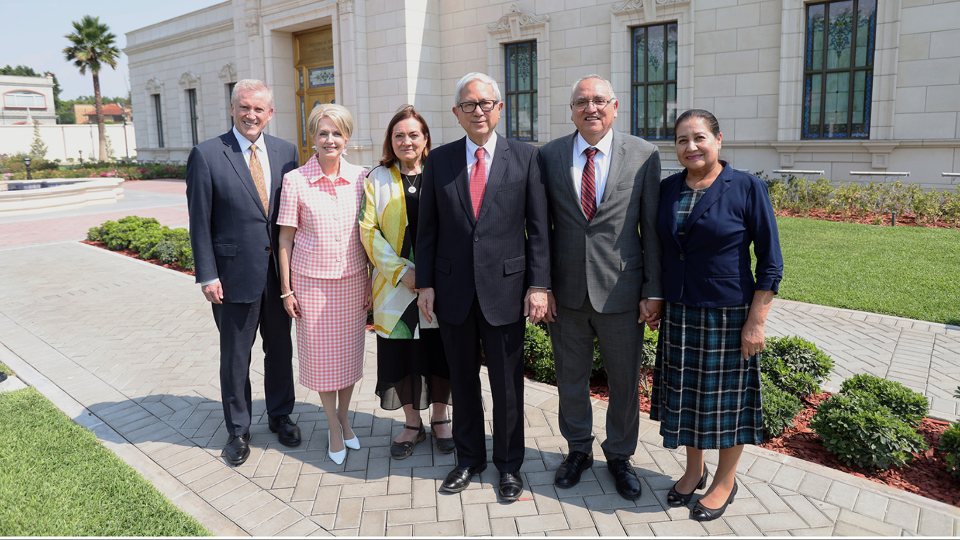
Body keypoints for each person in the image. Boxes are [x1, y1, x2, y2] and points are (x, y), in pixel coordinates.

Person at [416, 72, 550, 502]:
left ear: (500, 108)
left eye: (485, 103)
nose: (478, 111)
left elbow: (538, 230)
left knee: (508, 386)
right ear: (457, 113)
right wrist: (426, 285)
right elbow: (427, 229)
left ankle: (509, 466)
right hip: (453, 290)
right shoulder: (440, 160)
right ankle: (469, 459)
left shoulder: (527, 157)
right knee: (463, 380)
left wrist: (539, 286)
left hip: (507, 292)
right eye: (469, 105)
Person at [649, 109, 783, 521]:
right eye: (681, 140)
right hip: (680, 313)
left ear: (719, 140)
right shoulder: (668, 188)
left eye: (699, 137)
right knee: (689, 399)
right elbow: (661, 248)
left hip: (728, 315)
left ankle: (726, 479)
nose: (690, 146)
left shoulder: (746, 187)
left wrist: (756, 320)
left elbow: (771, 261)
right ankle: (694, 470)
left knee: (726, 404)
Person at [538, 74, 663, 500]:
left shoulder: (644, 155)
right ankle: (577, 451)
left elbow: (652, 229)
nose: (590, 108)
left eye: (598, 101)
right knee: (570, 379)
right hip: (567, 292)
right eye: (581, 102)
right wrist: (542, 286)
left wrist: (654, 290)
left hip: (623, 293)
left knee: (625, 383)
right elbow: (541, 228)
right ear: (571, 110)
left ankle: (621, 456)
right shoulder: (550, 155)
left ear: (614, 106)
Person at [185, 79, 301, 467]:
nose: (252, 115)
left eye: (260, 109)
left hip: (279, 275)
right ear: (232, 108)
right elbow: (199, 221)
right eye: (244, 107)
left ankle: (281, 415)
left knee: (280, 349)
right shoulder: (207, 154)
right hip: (232, 275)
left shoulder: (287, 152)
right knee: (236, 355)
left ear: (271, 113)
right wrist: (207, 275)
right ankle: (237, 429)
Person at [276, 104, 369, 466]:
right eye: (323, 133)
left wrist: (370, 284)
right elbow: (286, 239)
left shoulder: (362, 177)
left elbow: (368, 237)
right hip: (310, 285)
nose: (330, 140)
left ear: (346, 138)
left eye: (337, 133)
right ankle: (333, 424)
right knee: (322, 362)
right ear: (312, 137)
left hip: (352, 283)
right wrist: (286, 290)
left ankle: (345, 417)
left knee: (347, 359)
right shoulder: (295, 180)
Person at [359, 105, 454, 459]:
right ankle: (412, 424)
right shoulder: (377, 179)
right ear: (391, 141)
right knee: (403, 355)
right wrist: (403, 271)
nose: (406, 141)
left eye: (414, 134)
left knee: (439, 352)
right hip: (394, 288)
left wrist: (429, 275)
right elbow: (368, 231)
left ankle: (441, 420)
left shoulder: (441, 173)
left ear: (425, 138)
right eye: (399, 135)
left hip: (440, 285)